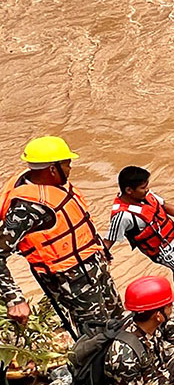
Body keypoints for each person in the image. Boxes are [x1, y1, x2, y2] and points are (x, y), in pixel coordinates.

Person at [0, 136, 121, 339]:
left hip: (93, 266)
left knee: (117, 318)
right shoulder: (27, 209)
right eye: (67, 164)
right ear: (52, 169)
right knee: (98, 336)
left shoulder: (52, 183)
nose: (71, 168)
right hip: (72, 283)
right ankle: (98, 369)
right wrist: (14, 299)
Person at [104, 166, 174, 323]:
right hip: (161, 250)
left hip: (173, 238)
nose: (147, 189)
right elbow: (109, 239)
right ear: (129, 190)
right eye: (143, 187)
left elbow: (164, 206)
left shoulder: (145, 196)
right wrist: (101, 257)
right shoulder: (122, 216)